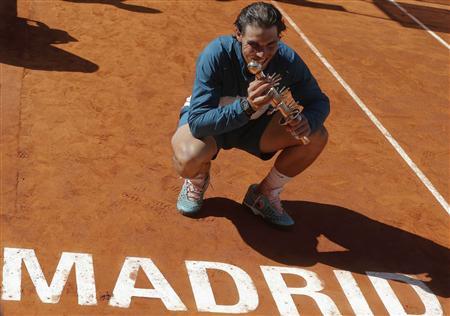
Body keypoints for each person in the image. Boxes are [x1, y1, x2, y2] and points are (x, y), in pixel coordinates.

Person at [171, 2, 329, 227]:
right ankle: (197, 179)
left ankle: (264, 194)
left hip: (255, 128)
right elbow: (197, 123)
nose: (262, 54)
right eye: (253, 45)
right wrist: (246, 107)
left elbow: (318, 101)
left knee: (316, 136)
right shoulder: (216, 54)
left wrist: (308, 121)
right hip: (211, 126)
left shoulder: (288, 61)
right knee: (188, 158)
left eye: (271, 45)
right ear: (238, 34)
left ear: (279, 40)